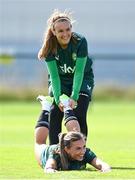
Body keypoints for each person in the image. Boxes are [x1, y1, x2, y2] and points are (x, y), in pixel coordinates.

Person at [38, 9, 94, 144]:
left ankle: (80, 155)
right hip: (60, 81)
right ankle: (55, 152)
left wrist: (74, 97)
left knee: (79, 113)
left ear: (71, 28)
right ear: (54, 31)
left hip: (82, 79)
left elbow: (79, 72)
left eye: (68, 29)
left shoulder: (80, 41)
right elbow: (55, 77)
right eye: (60, 31)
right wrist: (58, 100)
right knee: (55, 113)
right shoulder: (50, 46)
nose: (65, 34)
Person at [35, 129, 111, 173]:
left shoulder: (86, 153)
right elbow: (48, 168)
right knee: (39, 142)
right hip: (43, 152)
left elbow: (101, 164)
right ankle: (46, 107)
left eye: (84, 147)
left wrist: (105, 168)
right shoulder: (56, 153)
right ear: (66, 149)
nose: (83, 151)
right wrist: (50, 170)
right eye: (78, 148)